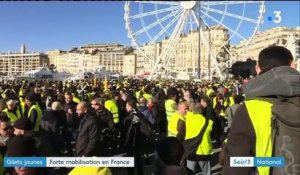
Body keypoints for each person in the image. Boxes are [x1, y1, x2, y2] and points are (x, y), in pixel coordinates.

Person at [222, 46, 300, 175]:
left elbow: (238, 163)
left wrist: (274, 161)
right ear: (292, 64)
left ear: (257, 67)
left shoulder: (250, 108)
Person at [185, 103, 213, 175]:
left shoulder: (188, 117)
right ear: (202, 111)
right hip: (203, 151)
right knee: (206, 172)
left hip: (190, 149)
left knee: (190, 171)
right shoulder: (208, 122)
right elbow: (210, 130)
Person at [123, 99, 146, 175]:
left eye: (127, 106)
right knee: (139, 162)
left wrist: (125, 144)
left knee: (130, 164)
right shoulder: (140, 114)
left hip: (132, 144)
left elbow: (127, 133)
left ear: (131, 107)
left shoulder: (129, 118)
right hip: (140, 142)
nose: (125, 107)